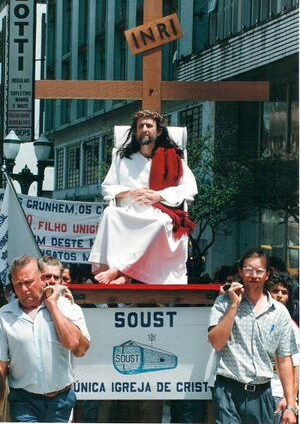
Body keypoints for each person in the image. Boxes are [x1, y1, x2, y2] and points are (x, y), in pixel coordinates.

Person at [89, 109, 197, 285]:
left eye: (149, 125)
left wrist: (158, 195)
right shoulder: (122, 158)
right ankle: (124, 273)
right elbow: (107, 188)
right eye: (140, 126)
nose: (144, 129)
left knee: (159, 224)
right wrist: (129, 193)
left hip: (158, 211)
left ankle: (121, 271)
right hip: (130, 210)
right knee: (109, 213)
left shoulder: (173, 157)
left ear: (158, 131)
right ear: (135, 131)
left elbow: (189, 188)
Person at [208, 247, 298, 424]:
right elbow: (216, 343)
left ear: (267, 274)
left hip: (262, 393)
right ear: (240, 272)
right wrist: (233, 306)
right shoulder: (223, 302)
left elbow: (285, 359)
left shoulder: (279, 312)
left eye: (259, 271)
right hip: (228, 390)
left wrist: (291, 405)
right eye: (248, 270)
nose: (253, 275)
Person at [0, 255, 90, 422]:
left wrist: (53, 306)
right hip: (24, 402)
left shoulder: (65, 306)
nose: (24, 289)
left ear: (41, 279)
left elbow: (74, 345)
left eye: (29, 282)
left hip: (60, 401)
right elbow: (1, 366)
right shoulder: (4, 315)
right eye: (18, 284)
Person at [267, 272, 299, 424]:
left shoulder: (291, 327)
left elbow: (296, 367)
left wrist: (289, 399)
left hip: (278, 394)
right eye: (275, 291)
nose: (279, 295)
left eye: (284, 292)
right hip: (257, 393)